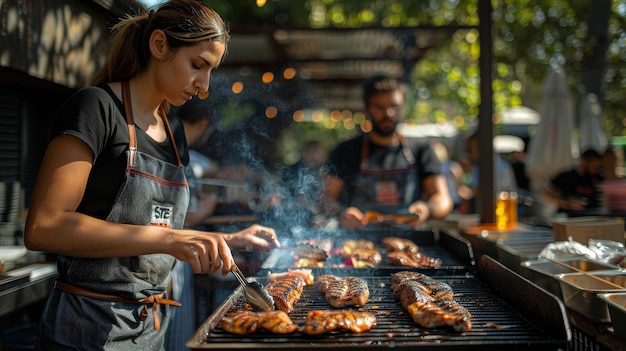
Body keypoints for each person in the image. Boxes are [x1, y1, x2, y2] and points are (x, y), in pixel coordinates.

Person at [23, 1, 279, 349]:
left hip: (151, 330)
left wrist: (223, 241)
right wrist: (172, 241)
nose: (204, 85)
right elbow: (44, 227)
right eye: (197, 65)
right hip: (86, 329)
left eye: (211, 70)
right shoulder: (96, 109)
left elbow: (155, 225)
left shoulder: (173, 130)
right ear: (159, 45)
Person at [322, 75, 453, 229]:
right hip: (359, 240)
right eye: (380, 107)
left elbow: (444, 199)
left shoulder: (421, 150)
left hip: (409, 240)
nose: (388, 113)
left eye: (394, 106)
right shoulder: (346, 151)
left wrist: (427, 209)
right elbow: (325, 198)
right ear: (367, 109)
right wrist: (342, 213)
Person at [466, 130, 518, 213]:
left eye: (473, 146)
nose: (471, 151)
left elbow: (501, 191)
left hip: (499, 211)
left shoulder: (497, 165)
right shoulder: (479, 165)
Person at [543, 148, 604, 215]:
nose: (597, 169)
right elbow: (546, 190)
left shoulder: (599, 178)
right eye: (594, 166)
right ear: (584, 161)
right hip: (568, 217)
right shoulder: (569, 176)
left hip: (591, 216)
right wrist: (566, 204)